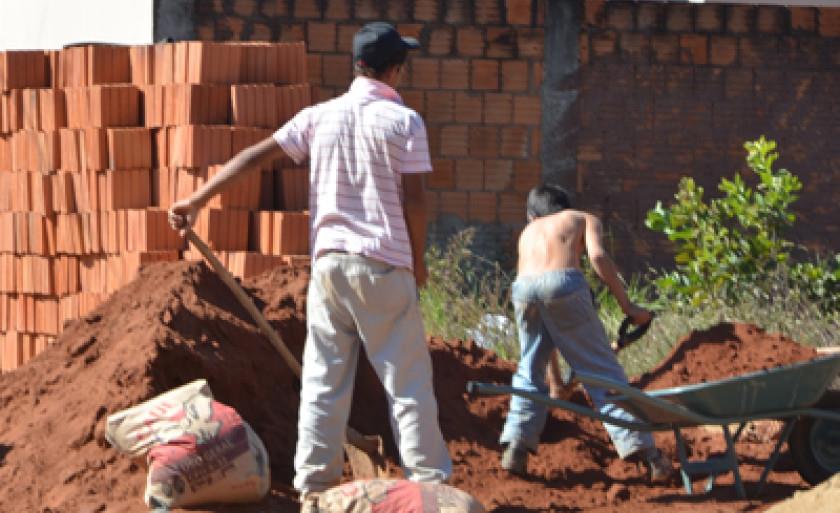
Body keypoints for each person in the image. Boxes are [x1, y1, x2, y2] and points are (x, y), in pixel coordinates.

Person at [168, 21, 452, 512]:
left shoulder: (319, 116)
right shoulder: (404, 121)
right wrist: (418, 263)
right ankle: (431, 485)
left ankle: (313, 488)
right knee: (405, 382)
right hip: (383, 264)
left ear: (357, 66)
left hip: (329, 268)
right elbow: (416, 202)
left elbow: (257, 155)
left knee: (324, 380)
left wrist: (197, 200)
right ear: (395, 69)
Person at [498, 183, 672, 481]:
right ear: (565, 206)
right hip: (564, 285)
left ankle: (517, 446)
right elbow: (598, 258)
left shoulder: (528, 233)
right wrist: (629, 306)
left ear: (532, 215)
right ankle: (650, 457)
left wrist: (555, 383)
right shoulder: (582, 218)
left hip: (523, 289)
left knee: (528, 368)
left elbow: (544, 330)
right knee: (603, 372)